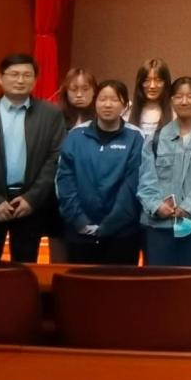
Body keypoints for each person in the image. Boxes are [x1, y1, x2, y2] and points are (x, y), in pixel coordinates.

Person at [0, 53, 65, 261]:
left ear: (35, 80)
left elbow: (55, 159)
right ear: (0, 78)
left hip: (30, 205)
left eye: (27, 75)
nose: (20, 80)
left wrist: (32, 199)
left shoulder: (51, 115)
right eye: (14, 74)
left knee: (25, 268)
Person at [56, 80, 145, 265]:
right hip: (79, 232)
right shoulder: (76, 135)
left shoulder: (135, 137)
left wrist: (110, 225)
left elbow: (132, 186)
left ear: (125, 105)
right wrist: (80, 221)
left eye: (114, 99)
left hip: (122, 234)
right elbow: (65, 181)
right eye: (102, 99)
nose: (107, 104)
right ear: (94, 102)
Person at [138, 76, 191, 266]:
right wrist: (156, 206)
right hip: (159, 223)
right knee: (158, 278)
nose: (184, 101)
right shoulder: (156, 137)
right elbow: (145, 179)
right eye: (178, 96)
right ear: (171, 100)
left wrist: (188, 206)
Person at [47, 67, 99, 262]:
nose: (79, 94)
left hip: (93, 198)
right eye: (73, 89)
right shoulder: (53, 119)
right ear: (65, 91)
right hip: (58, 198)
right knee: (59, 258)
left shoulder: (103, 120)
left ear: (95, 91)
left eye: (85, 89)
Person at [128, 59, 172, 144]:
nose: (152, 86)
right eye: (146, 81)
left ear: (166, 83)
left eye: (158, 80)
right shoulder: (128, 112)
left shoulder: (174, 113)